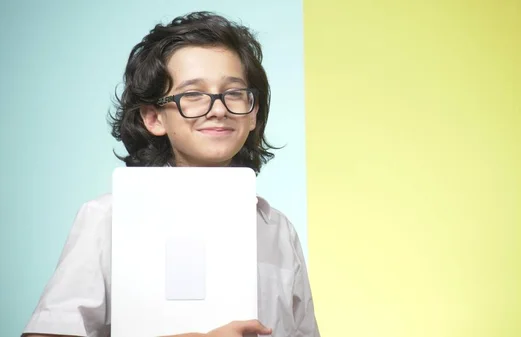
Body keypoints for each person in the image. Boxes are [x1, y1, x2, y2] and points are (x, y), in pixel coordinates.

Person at [22, 11, 320, 337]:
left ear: (253, 113)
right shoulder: (107, 218)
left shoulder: (278, 229)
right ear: (154, 117)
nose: (218, 109)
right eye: (193, 95)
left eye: (234, 93)